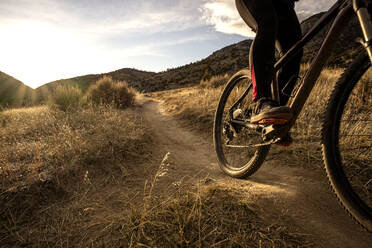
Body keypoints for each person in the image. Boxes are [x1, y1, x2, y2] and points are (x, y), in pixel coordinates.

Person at [235, 0, 303, 124]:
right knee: (267, 23)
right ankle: (261, 100)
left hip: (283, 4)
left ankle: (274, 117)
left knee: (294, 51)